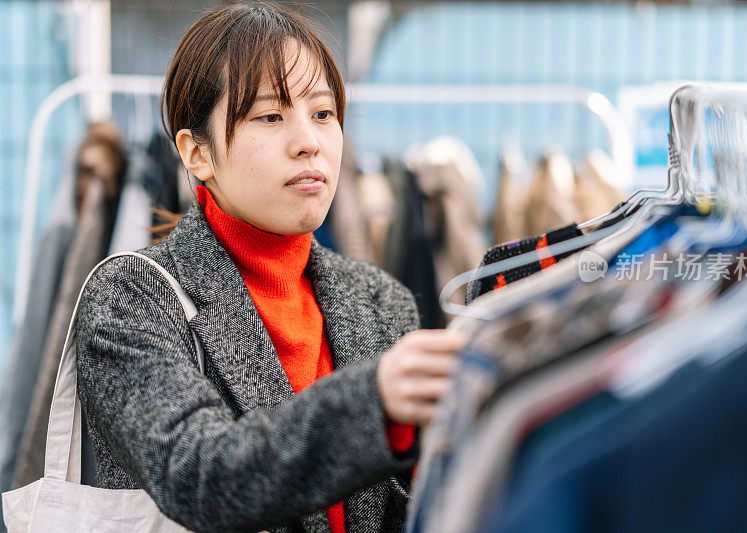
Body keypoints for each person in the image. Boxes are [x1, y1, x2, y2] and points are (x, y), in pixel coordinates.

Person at [74, 2, 467, 532]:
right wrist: (375, 401)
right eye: (270, 115)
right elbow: (201, 476)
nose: (309, 141)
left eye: (323, 113)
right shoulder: (133, 297)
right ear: (197, 154)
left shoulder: (380, 300)